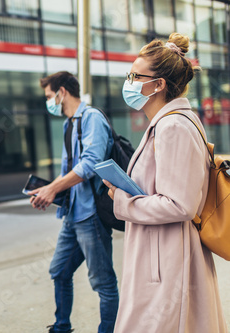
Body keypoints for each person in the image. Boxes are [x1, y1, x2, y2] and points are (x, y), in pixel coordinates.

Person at [103, 33, 227, 333]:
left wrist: (122, 199)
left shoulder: (173, 126)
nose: (129, 81)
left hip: (167, 260)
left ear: (158, 84)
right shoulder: (168, 122)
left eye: (135, 75)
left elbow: (180, 204)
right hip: (161, 254)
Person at [29, 71, 119, 333]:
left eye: (49, 96)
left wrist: (53, 187)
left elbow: (90, 164)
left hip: (91, 215)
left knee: (103, 283)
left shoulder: (91, 118)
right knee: (59, 271)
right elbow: (70, 170)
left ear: (62, 92)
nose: (49, 102)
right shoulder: (69, 124)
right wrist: (48, 191)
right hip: (72, 215)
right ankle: (61, 326)